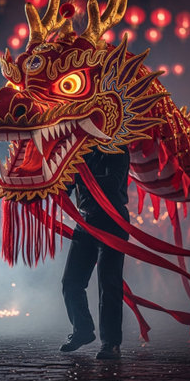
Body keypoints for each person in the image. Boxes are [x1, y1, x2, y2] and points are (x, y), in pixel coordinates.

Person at [60, 145, 130, 359]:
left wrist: (79, 174)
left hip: (112, 221)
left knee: (108, 284)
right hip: (85, 222)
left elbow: (112, 183)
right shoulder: (80, 150)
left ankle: (111, 343)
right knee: (71, 281)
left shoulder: (118, 148)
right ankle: (82, 330)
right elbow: (66, 187)